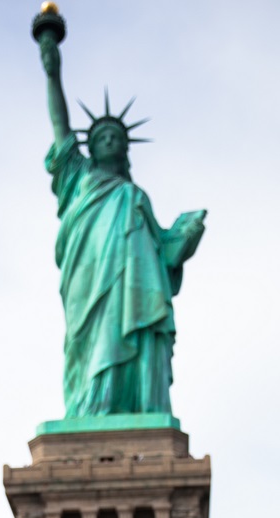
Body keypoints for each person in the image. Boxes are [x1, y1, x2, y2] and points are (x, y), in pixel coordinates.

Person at [37, 31, 206, 418]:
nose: (110, 141)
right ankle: (91, 407)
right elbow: (60, 124)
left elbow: (162, 251)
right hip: (88, 280)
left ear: (126, 150)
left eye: (116, 137)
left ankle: (136, 405)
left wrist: (185, 237)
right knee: (89, 343)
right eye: (102, 137)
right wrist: (52, 73)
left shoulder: (135, 197)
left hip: (135, 287)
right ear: (91, 147)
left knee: (136, 330)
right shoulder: (78, 178)